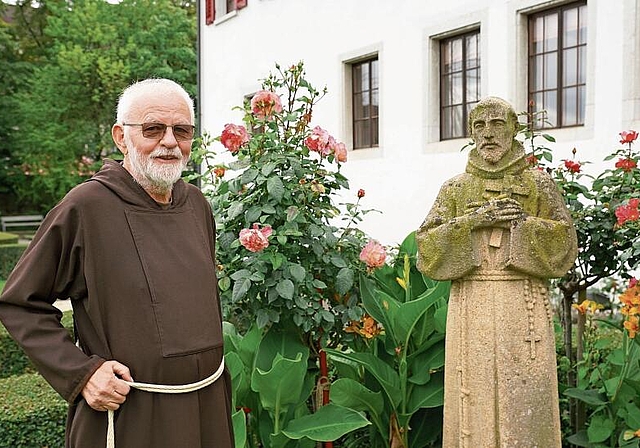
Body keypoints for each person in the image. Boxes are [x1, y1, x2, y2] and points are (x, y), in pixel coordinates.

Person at [0, 79, 234, 448]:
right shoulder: (86, 206)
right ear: (121, 137)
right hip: (129, 416)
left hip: (207, 408)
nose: (170, 142)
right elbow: (19, 303)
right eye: (153, 129)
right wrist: (83, 374)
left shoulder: (196, 205)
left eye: (182, 130)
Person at [416, 97, 577, 447]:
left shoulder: (538, 184)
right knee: (472, 395)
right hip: (471, 304)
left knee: (525, 395)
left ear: (513, 129)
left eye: (497, 124)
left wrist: (520, 225)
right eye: (479, 126)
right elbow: (426, 249)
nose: (488, 134)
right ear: (471, 133)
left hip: (523, 304)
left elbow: (565, 242)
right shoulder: (455, 188)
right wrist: (473, 222)